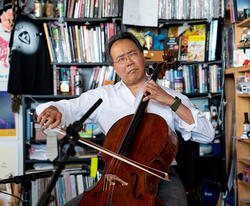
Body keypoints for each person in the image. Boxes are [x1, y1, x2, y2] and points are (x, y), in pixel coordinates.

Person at [36, 32, 215, 206]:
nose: (128, 62)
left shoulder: (172, 97)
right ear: (115, 66)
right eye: (121, 59)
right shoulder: (103, 96)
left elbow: (207, 135)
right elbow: (65, 107)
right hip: (114, 177)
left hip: (160, 177)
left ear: (142, 56)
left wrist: (170, 102)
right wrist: (53, 109)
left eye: (132, 54)